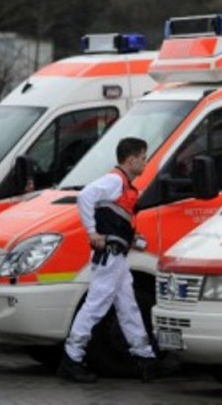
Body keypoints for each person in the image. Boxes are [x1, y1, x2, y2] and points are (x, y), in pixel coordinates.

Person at [57, 137, 157, 383]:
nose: (145, 163)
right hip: (110, 256)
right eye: (143, 158)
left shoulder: (120, 183)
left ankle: (145, 359)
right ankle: (71, 359)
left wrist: (131, 239)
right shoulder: (115, 181)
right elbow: (85, 196)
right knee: (96, 305)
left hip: (116, 256)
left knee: (128, 306)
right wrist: (92, 233)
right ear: (131, 159)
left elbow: (115, 217)